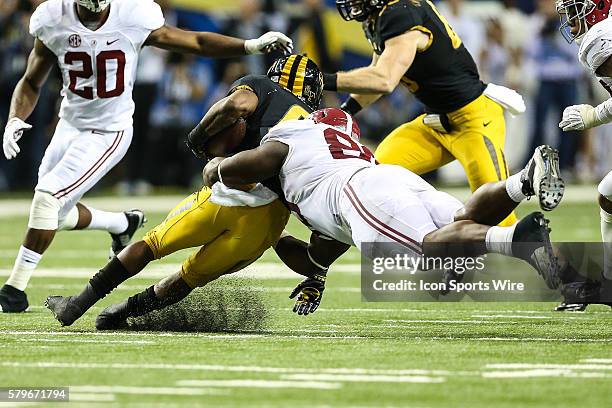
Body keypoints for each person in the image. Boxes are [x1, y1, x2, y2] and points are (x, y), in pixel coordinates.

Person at [0, 0, 294, 313]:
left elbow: (195, 41)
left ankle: (13, 292)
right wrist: (15, 117)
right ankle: (120, 223)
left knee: (48, 199)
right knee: (50, 212)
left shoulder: (132, 13)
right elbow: (32, 79)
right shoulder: (51, 17)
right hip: (70, 123)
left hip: (109, 130)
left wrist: (249, 45)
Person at [193, 108, 566, 315]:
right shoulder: (347, 149)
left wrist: (217, 168)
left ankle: (518, 240)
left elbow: (257, 160)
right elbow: (315, 258)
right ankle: (522, 181)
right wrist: (274, 238)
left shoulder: (296, 134)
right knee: (460, 225)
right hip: (389, 178)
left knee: (431, 250)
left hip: (357, 192)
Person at [45, 54, 323, 327]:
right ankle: (120, 314)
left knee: (152, 244)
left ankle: (77, 305)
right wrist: (316, 272)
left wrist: (197, 138)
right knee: (188, 277)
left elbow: (235, 106)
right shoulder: (316, 127)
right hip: (268, 222)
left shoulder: (262, 86)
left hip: (227, 195)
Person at [322, 0, 531, 227]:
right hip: (434, 124)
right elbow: (374, 77)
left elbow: (384, 80)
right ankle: (418, 235)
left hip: (474, 121)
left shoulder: (400, 14)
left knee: (497, 215)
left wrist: (323, 80)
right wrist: (346, 112)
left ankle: (547, 258)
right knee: (375, 175)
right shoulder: (383, 15)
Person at [556, 0, 612, 311]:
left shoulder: (602, 37)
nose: (569, 21)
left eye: (574, 12)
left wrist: (594, 116)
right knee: (609, 193)